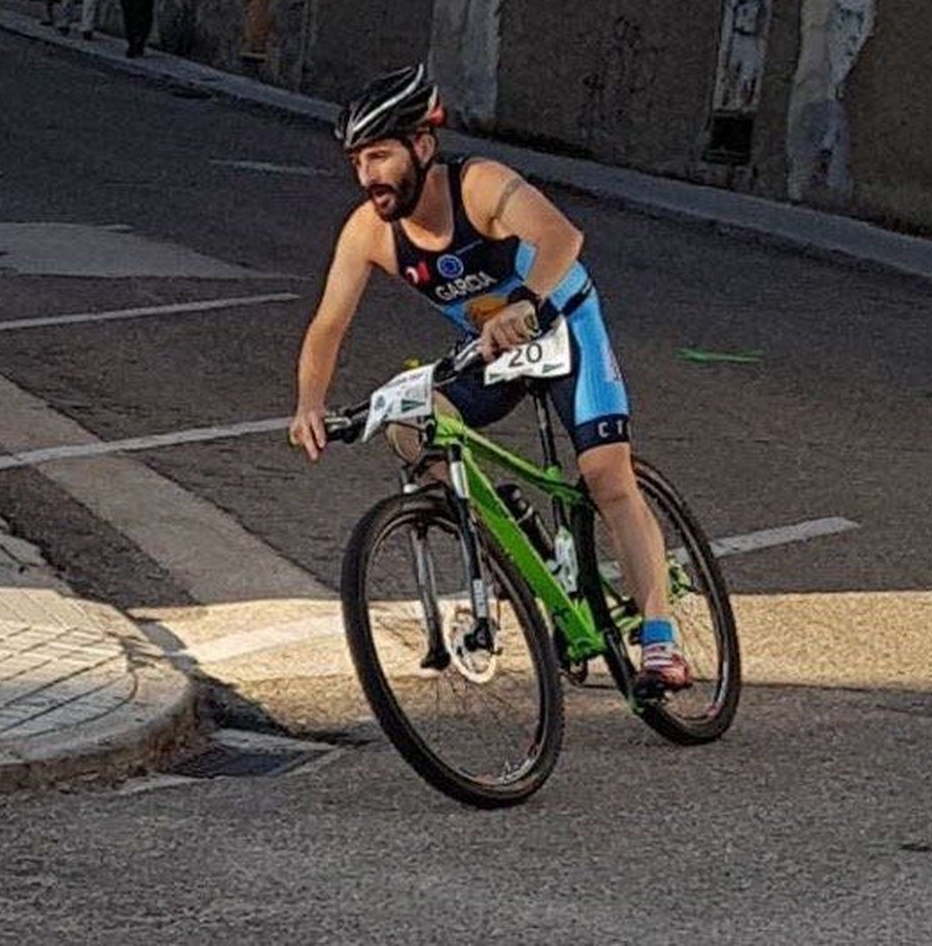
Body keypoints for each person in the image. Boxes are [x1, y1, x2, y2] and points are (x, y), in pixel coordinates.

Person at [289, 65, 691, 695]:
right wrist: (309, 403)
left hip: (561, 325)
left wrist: (528, 302)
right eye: (357, 161)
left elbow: (563, 237)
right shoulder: (370, 230)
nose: (368, 176)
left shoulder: (479, 186)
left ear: (422, 146)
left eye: (380, 156)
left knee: (607, 475)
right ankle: (505, 537)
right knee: (409, 429)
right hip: (490, 347)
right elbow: (328, 325)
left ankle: (661, 640)